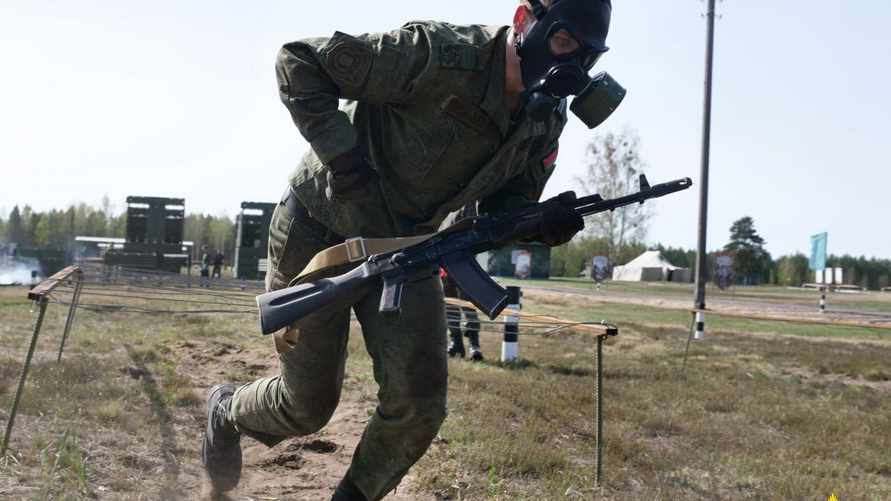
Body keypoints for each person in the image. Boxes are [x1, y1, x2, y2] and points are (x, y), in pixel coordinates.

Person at [202, 1, 612, 499]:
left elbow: (499, 210)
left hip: (407, 250)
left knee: (419, 407)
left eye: (588, 55)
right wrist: (348, 166)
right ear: (526, 20)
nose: (572, 63)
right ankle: (227, 409)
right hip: (320, 230)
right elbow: (299, 61)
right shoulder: (439, 53)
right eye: (564, 42)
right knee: (306, 406)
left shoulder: (544, 118)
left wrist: (538, 223)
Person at [441, 269, 484, 361]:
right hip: (444, 271)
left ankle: (474, 347)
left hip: (463, 271)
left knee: (469, 312)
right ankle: (456, 345)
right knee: (451, 312)